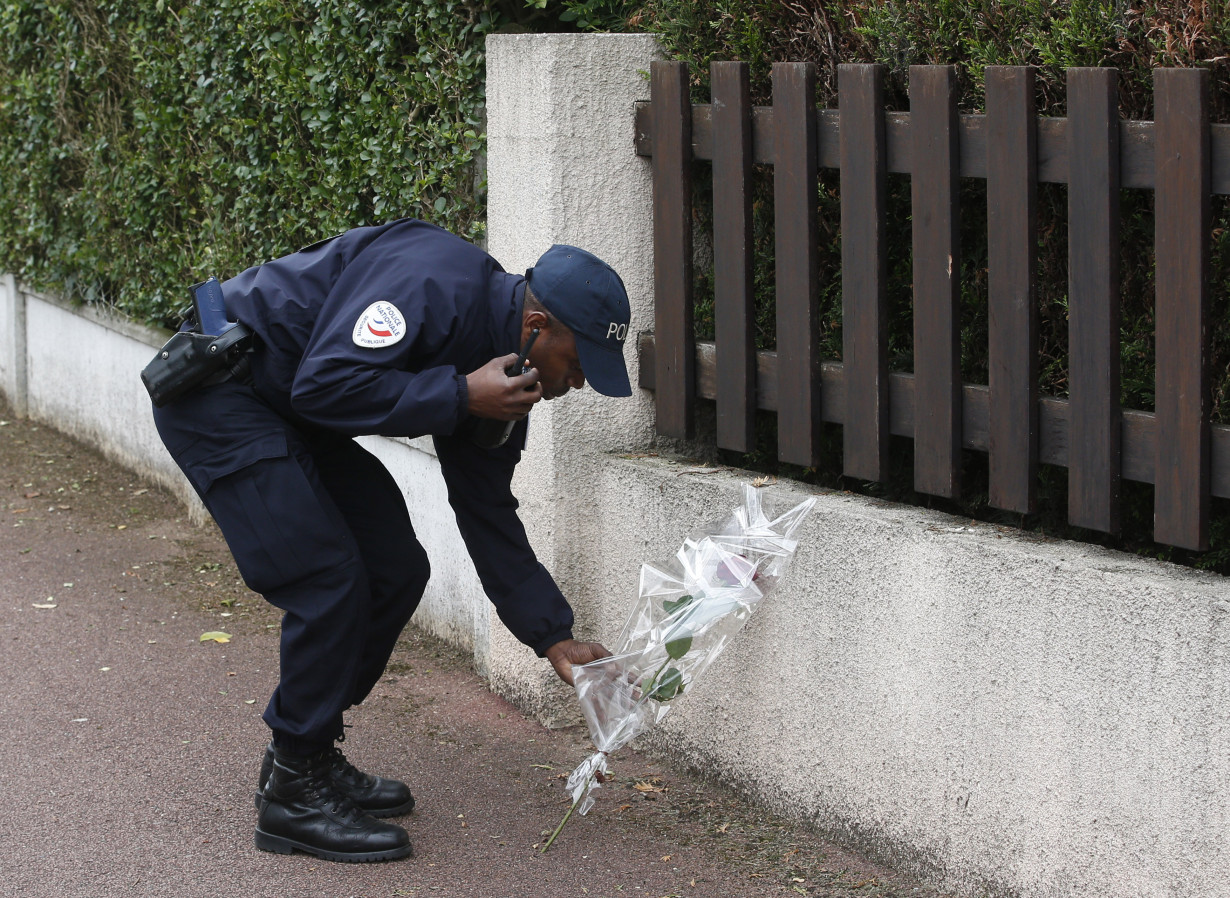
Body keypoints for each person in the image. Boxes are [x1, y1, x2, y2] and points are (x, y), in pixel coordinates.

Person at [150, 218, 629, 863]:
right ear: (538, 326)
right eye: (577, 365)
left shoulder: (510, 376)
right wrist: (460, 393)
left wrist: (553, 634)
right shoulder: (430, 283)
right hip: (222, 390)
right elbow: (324, 383)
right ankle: (293, 790)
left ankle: (307, 751)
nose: (575, 385)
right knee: (328, 577)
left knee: (395, 566)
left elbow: (486, 508)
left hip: (288, 404)